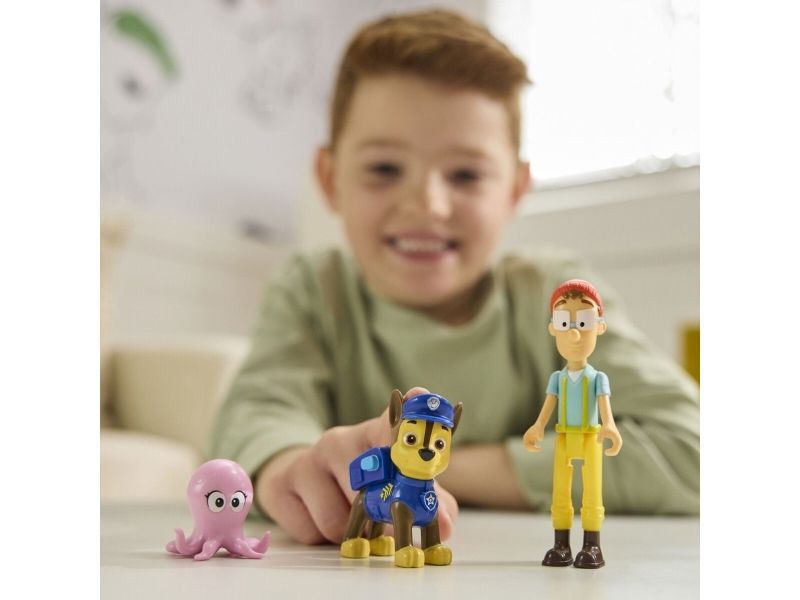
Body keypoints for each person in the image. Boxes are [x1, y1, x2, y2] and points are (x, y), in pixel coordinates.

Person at [210, 9, 700, 546]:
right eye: (384, 169)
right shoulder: (313, 288)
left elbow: (692, 448)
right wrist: (288, 467)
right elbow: (256, 418)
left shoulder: (557, 297)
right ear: (330, 179)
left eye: (466, 174)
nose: (428, 205)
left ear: (514, 189)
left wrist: (421, 466)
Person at [523, 279, 621, 569]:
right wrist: (538, 426)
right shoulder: (559, 378)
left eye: (584, 321)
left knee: (592, 492)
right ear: (553, 329)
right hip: (564, 438)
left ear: (599, 327)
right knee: (560, 492)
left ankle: (592, 546)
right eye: (564, 322)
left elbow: (605, 408)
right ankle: (561, 544)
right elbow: (548, 408)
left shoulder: (597, 378)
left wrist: (610, 426)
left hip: (591, 438)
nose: (574, 332)